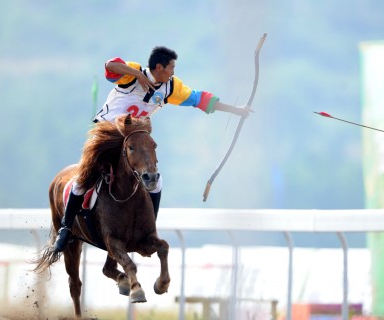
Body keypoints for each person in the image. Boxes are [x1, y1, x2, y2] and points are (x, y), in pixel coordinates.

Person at [55, 46, 250, 252]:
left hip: (132, 139)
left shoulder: (171, 88)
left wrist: (236, 110)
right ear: (159, 67)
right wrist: (138, 75)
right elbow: (110, 66)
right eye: (171, 68)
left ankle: (149, 229)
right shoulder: (131, 74)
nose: (173, 72)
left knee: (156, 180)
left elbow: (199, 99)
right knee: (83, 179)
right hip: (107, 135)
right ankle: (66, 228)